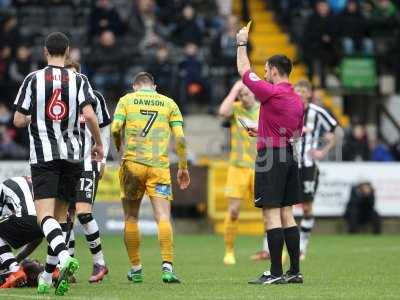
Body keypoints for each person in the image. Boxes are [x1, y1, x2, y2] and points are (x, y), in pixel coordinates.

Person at [13, 32, 103, 296]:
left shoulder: (33, 80)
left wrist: (38, 119)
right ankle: (46, 277)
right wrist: (98, 143)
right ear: (68, 52)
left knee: (45, 217)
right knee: (62, 219)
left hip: (44, 156)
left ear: (45, 52)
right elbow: (88, 114)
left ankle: (63, 259)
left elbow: (18, 120)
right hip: (74, 155)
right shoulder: (80, 80)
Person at [236, 25, 305, 284]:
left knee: (271, 213)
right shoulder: (297, 100)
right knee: (288, 213)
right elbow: (294, 132)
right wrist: (263, 130)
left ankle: (275, 273)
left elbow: (244, 71)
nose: (263, 74)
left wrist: (241, 43)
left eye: (265, 70)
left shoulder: (270, 91)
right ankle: (294, 271)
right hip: (289, 155)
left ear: (274, 71)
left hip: (271, 158)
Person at [112, 72, 190, 284]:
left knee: (131, 218)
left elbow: (116, 128)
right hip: (159, 167)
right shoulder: (168, 103)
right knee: (163, 217)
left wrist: (120, 150)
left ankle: (136, 269)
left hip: (133, 165)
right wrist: (183, 167)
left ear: (135, 86)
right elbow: (180, 138)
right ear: (154, 87)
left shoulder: (127, 100)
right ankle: (167, 268)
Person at [38, 59, 111, 285]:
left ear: (79, 75)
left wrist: (103, 157)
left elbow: (104, 127)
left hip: (87, 163)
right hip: (64, 163)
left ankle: (99, 262)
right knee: (64, 217)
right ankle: (66, 264)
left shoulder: (93, 98)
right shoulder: (55, 98)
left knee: (83, 212)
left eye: (71, 73)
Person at [294, 80, 337, 260]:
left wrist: (322, 151)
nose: (301, 94)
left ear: (309, 93)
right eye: (298, 90)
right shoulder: (286, 109)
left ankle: (302, 246)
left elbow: (333, 133)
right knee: (283, 207)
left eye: (304, 91)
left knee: (306, 206)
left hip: (309, 166)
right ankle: (281, 246)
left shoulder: (317, 113)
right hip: (288, 164)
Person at [218, 80, 259, 265]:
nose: (243, 97)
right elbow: (222, 112)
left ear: (254, 93)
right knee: (234, 211)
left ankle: (274, 249)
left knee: (269, 211)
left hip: (261, 166)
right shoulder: (235, 108)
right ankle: (229, 251)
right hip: (238, 166)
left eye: (246, 94)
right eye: (241, 95)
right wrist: (235, 88)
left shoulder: (264, 109)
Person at [0, 176, 43, 288]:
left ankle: (14, 269)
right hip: (44, 221)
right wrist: (17, 259)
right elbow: (37, 238)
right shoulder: (28, 183)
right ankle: (57, 268)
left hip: (29, 218)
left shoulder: (4, 185)